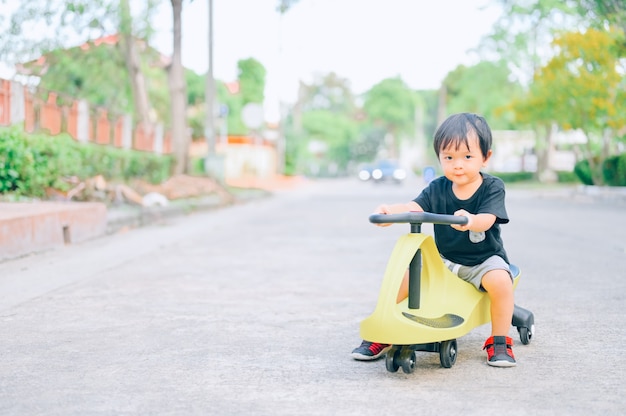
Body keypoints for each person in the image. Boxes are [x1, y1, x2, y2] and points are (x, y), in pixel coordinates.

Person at [351, 112, 517, 367]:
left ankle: (499, 341)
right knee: (405, 276)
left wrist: (471, 220)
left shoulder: (492, 187)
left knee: (501, 282)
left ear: (486, 157)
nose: (457, 165)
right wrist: (390, 212)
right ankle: (382, 332)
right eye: (448, 157)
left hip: (482, 261)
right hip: (445, 260)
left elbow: (488, 219)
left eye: (467, 157)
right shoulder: (437, 187)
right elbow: (415, 206)